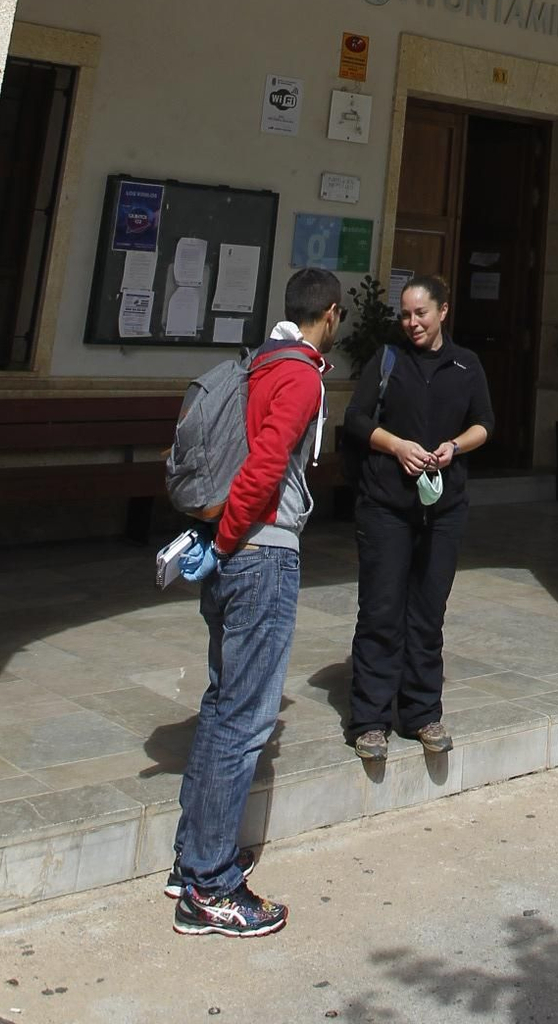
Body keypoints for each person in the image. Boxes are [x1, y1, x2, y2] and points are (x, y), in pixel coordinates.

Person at [171, 265, 343, 940]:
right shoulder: (300, 373)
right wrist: (233, 537)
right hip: (261, 552)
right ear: (330, 314)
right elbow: (267, 463)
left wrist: (217, 541)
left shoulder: (260, 361)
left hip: (231, 546)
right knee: (247, 720)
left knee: (222, 708)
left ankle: (194, 860)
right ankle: (211, 888)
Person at [345, 273, 494, 761]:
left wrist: (453, 446)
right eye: (405, 314)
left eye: (421, 313)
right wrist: (397, 445)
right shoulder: (388, 361)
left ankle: (422, 713)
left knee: (428, 614)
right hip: (386, 504)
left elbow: (484, 424)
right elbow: (357, 419)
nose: (412, 323)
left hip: (443, 507)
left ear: (443, 311)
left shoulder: (466, 364)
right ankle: (369, 720)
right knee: (382, 610)